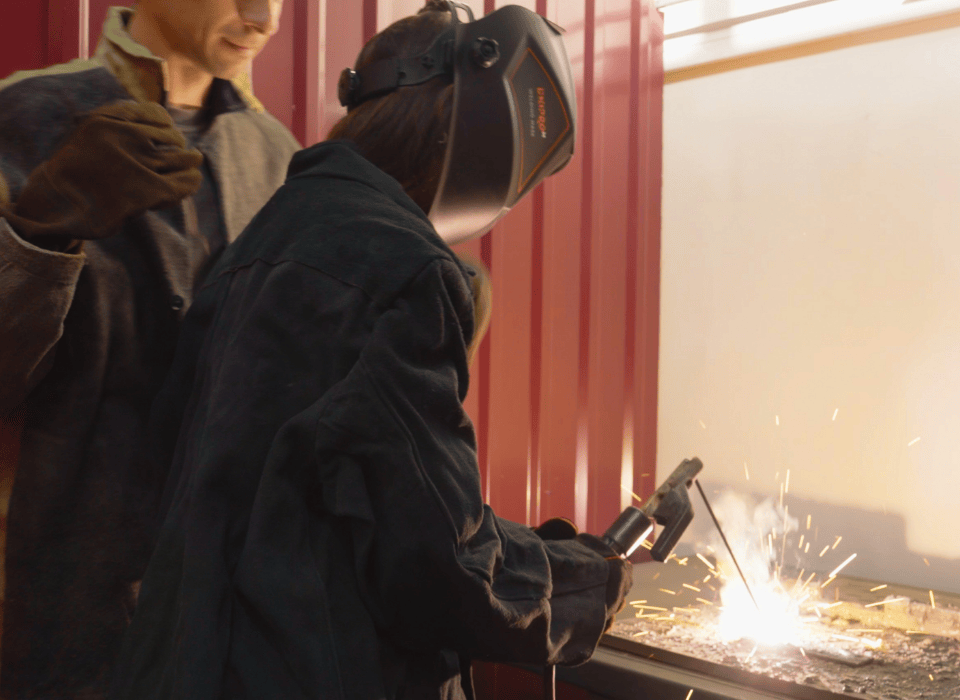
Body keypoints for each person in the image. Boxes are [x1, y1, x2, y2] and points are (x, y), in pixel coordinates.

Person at [110, 2, 631, 699]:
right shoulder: (402, 267)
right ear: (473, 128)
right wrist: (594, 577)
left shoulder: (262, 242)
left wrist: (534, 552)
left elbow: (330, 495)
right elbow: (437, 567)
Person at [0, 0, 298, 696]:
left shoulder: (279, 157)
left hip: (217, 616)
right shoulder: (26, 116)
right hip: (45, 610)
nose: (264, 17)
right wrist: (37, 233)